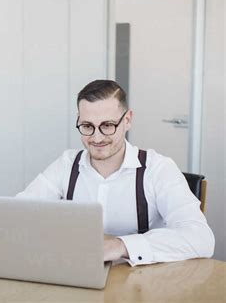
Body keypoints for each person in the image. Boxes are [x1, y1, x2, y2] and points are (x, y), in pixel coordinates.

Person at [16, 79, 214, 266]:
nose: (97, 137)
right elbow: (19, 214)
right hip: (80, 275)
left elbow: (201, 238)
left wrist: (120, 246)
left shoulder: (158, 169)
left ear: (127, 120)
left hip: (144, 285)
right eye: (87, 126)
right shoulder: (67, 164)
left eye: (108, 125)